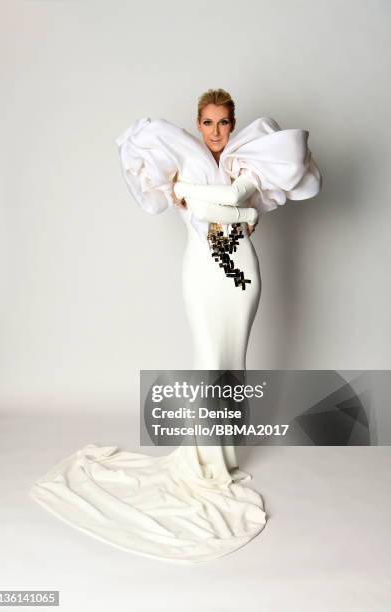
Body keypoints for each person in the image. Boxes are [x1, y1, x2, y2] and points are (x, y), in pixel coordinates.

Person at [29, 89, 322, 565]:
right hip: (203, 274)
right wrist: (234, 211)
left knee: (233, 367)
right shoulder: (184, 165)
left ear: (233, 123)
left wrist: (228, 206)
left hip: (241, 275)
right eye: (208, 123)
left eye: (224, 123)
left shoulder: (242, 166)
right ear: (197, 123)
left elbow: (228, 201)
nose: (216, 132)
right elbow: (214, 211)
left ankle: (222, 459)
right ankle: (201, 460)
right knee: (208, 363)